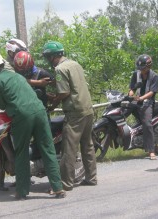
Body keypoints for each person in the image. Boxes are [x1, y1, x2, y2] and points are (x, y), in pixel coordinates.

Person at [0, 51, 66, 200]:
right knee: (48, 149)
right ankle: (58, 188)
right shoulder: (18, 76)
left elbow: (0, 105)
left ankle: (22, 190)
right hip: (40, 111)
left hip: (22, 116)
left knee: (21, 153)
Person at [43, 41, 97, 191]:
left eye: (48, 57)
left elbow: (64, 93)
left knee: (69, 149)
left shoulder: (60, 69)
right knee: (87, 145)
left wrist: (53, 104)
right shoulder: (75, 64)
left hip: (75, 112)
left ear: (53, 56)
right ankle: (91, 178)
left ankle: (66, 183)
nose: (48, 60)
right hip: (87, 109)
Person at [128, 54, 158, 160]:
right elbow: (131, 88)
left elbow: (152, 92)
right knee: (122, 111)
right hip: (136, 101)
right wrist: (131, 94)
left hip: (147, 103)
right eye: (140, 68)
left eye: (143, 68)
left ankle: (151, 150)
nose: (141, 70)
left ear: (148, 66)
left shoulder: (154, 76)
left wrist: (141, 98)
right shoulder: (135, 74)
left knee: (147, 124)